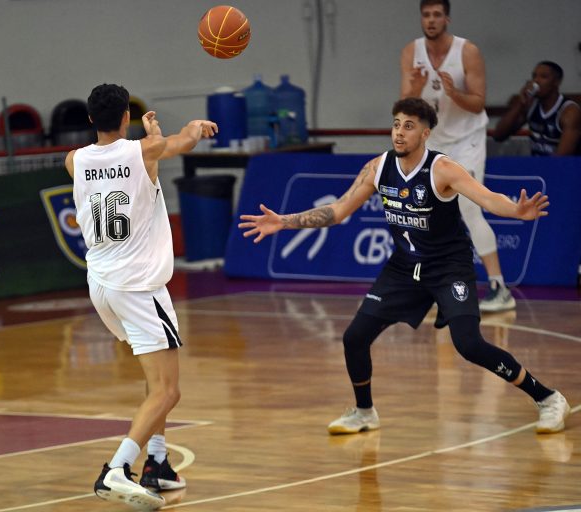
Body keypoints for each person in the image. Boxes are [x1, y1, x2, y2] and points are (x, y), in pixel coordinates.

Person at [239, 97, 570, 438]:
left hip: (448, 267)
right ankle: (364, 412)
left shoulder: (443, 169)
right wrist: (285, 221)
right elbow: (338, 211)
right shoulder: (377, 168)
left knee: (469, 344)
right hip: (404, 268)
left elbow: (486, 198)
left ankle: (547, 398)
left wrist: (516, 211)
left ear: (425, 134)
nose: (399, 132)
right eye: (396, 124)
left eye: (408, 126)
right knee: (355, 338)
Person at [64, 84, 217, 509]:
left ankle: (158, 463)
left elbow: (127, 160)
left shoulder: (73, 160)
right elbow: (184, 142)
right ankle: (116, 469)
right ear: (126, 117)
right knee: (168, 391)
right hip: (138, 285)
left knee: (156, 379)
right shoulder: (144, 151)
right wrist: (194, 126)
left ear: (91, 120)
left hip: (102, 284)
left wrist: (151, 139)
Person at [400, 0, 514, 313]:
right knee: (426, 213)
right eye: (426, 15)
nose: (431, 20)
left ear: (447, 19)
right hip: (434, 141)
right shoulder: (411, 52)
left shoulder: (467, 51)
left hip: (467, 140)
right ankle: (433, 287)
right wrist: (416, 88)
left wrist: (453, 93)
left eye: (437, 15)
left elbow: (478, 104)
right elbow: (404, 107)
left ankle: (499, 287)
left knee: (470, 208)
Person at [493, 61, 581, 156]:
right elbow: (498, 135)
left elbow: (562, 159)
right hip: (536, 163)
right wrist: (520, 104)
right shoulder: (530, 105)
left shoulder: (569, 112)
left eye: (543, 77)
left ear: (556, 82)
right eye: (534, 76)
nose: (536, 81)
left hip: (560, 165)